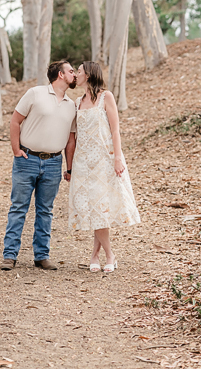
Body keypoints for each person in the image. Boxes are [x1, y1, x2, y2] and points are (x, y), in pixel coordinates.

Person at [1, 60, 77, 271]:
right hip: (28, 160)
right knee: (18, 207)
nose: (75, 74)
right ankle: (9, 256)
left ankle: (41, 256)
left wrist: (69, 168)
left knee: (46, 210)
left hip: (54, 163)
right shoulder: (35, 93)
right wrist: (16, 150)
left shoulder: (72, 106)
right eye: (71, 71)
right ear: (60, 75)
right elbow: (15, 121)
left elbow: (71, 141)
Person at [66, 61, 140, 273]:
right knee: (93, 208)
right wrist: (69, 166)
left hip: (104, 159)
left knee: (101, 207)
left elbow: (115, 130)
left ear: (88, 75)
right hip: (83, 162)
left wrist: (118, 157)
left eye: (78, 72)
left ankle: (108, 255)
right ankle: (96, 254)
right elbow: (73, 136)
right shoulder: (78, 101)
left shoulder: (106, 97)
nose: (76, 75)